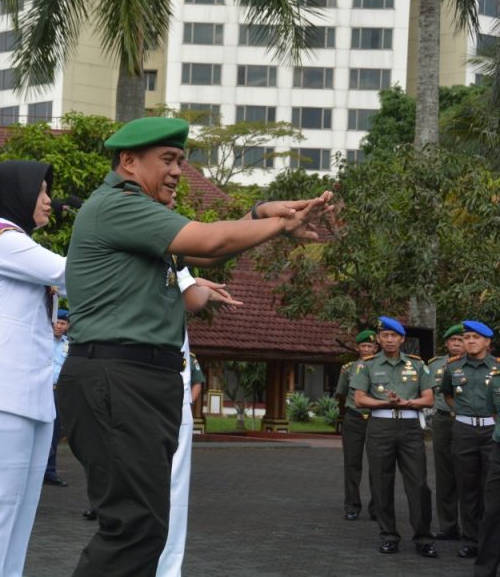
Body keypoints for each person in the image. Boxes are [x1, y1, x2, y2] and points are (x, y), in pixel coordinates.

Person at [57, 116, 332, 575]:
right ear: (128, 162)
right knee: (133, 527)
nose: (177, 171)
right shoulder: (118, 206)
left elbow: (207, 252)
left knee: (144, 527)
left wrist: (260, 212)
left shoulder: (145, 218)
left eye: (181, 161)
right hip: (116, 379)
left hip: (140, 382)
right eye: (167, 160)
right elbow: (210, 237)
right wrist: (281, 225)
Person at [0, 160, 67, 577]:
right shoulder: (2, 236)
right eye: (40, 191)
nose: (49, 201)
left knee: (22, 511)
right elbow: (70, 272)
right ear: (17, 194)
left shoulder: (20, 243)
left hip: (33, 393)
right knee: (0, 506)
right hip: (1, 393)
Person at [155, 268, 237, 577]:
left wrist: (192, 282)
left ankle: (166, 570)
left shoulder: (173, 259)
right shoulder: (164, 254)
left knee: (170, 494)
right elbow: (194, 299)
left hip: (172, 396)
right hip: (149, 389)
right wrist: (195, 287)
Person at [352, 316, 437, 558]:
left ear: (402, 339)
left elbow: (429, 399)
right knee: (381, 482)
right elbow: (359, 399)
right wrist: (384, 402)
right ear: (379, 339)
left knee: (419, 484)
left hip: (410, 427)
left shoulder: (418, 365)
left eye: (394, 336)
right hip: (380, 425)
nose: (389, 340)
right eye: (385, 336)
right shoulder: (366, 365)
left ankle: (423, 537)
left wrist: (407, 402)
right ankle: (388, 536)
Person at [440, 320, 499, 559]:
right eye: (467, 337)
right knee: (467, 488)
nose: (470, 341)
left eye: (476, 337)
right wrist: (464, 413)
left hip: (492, 433)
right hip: (464, 431)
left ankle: (490, 541)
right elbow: (448, 395)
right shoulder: (453, 368)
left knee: (491, 489)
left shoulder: (498, 368)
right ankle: (471, 540)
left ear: (488, 342)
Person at [334, 329, 379, 521]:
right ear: (357, 347)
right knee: (352, 464)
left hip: (377, 418)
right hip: (354, 418)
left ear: (376, 348)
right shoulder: (349, 369)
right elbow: (342, 393)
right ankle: (352, 505)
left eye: (370, 346)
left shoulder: (382, 367)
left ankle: (377, 507)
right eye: (364, 346)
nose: (367, 349)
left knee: (378, 464)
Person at [428, 323, 466, 540]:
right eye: (453, 340)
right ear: (446, 343)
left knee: (469, 473)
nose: (457, 344)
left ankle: (472, 528)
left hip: (467, 421)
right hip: (443, 421)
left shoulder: (475, 364)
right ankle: (448, 526)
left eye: (461, 340)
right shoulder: (434, 365)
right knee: (444, 475)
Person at [474, 351, 500, 576]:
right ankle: (485, 570)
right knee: (492, 512)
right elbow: (493, 412)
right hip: (499, 452)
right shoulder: (497, 379)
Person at [45, 308, 70, 487]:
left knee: (54, 432)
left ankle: (50, 471)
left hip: (57, 392)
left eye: (63, 323)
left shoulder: (68, 345)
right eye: (57, 323)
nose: (59, 326)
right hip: (41, 389)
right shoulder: (43, 340)